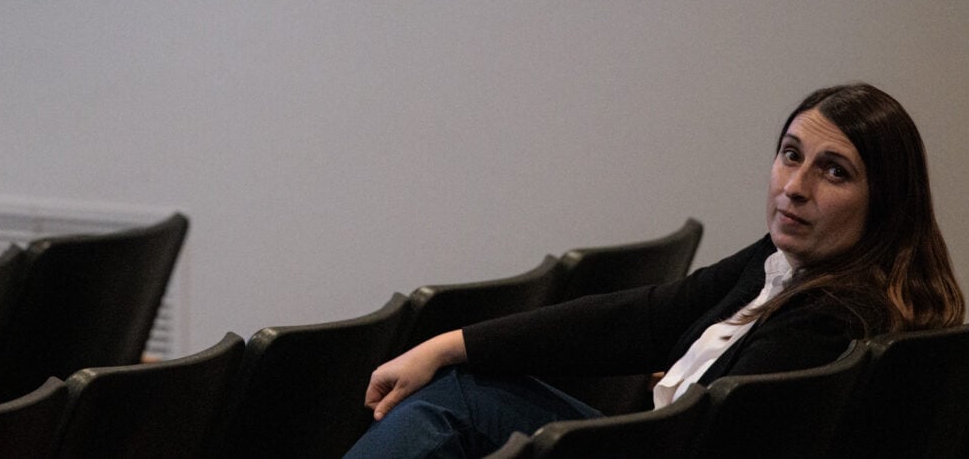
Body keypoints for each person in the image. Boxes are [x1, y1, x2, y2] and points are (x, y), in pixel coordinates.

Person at [345, 82, 964, 459]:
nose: (795, 187)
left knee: (454, 409)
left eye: (834, 171)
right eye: (790, 155)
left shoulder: (834, 315)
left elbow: (707, 432)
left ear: (884, 201)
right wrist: (449, 345)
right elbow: (646, 316)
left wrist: (686, 382)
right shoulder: (787, 263)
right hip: (656, 438)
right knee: (459, 392)